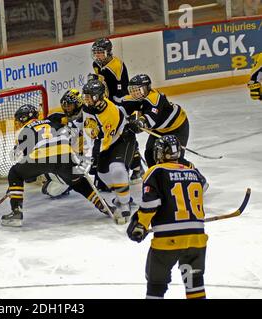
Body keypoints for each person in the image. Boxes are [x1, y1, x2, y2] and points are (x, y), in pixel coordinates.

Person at [1, 104, 113, 227]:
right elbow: (73, 136)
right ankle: (104, 206)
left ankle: (16, 212)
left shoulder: (25, 130)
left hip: (42, 158)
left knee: (15, 173)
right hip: (65, 156)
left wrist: (16, 185)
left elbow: (28, 168)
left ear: (23, 119)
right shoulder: (51, 122)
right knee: (80, 182)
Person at [127, 135, 208, 299]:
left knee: (156, 286)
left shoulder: (156, 171)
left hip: (168, 239)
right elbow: (204, 186)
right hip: (197, 238)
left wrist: (140, 225)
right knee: (195, 284)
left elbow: (151, 204)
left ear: (161, 153)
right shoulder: (193, 171)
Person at [81, 78, 137, 224]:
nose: (86, 100)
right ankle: (122, 195)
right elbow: (88, 125)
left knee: (116, 169)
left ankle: (125, 204)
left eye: (89, 97)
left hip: (122, 140)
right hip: (106, 142)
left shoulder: (110, 112)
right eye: (85, 96)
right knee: (102, 173)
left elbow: (103, 141)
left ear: (99, 97)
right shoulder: (88, 107)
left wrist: (92, 158)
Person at [91, 38, 145, 184]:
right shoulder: (96, 64)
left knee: (125, 136)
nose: (97, 56)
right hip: (108, 107)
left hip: (120, 106)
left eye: (100, 53)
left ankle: (137, 167)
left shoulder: (117, 66)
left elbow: (120, 94)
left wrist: (118, 112)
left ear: (108, 52)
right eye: (95, 53)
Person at [123, 74, 191, 168]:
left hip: (177, 127)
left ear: (147, 88)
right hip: (160, 129)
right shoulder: (135, 99)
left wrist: (140, 122)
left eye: (139, 90)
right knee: (150, 153)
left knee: (175, 158)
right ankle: (155, 177)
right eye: (133, 91)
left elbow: (151, 118)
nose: (135, 94)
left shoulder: (154, 98)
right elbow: (120, 108)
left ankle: (194, 173)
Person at [42, 88, 84, 199]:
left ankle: (65, 182)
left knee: (52, 191)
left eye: (69, 105)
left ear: (78, 105)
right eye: (64, 105)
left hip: (78, 159)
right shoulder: (56, 117)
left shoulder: (87, 118)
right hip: (59, 157)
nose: (66, 108)